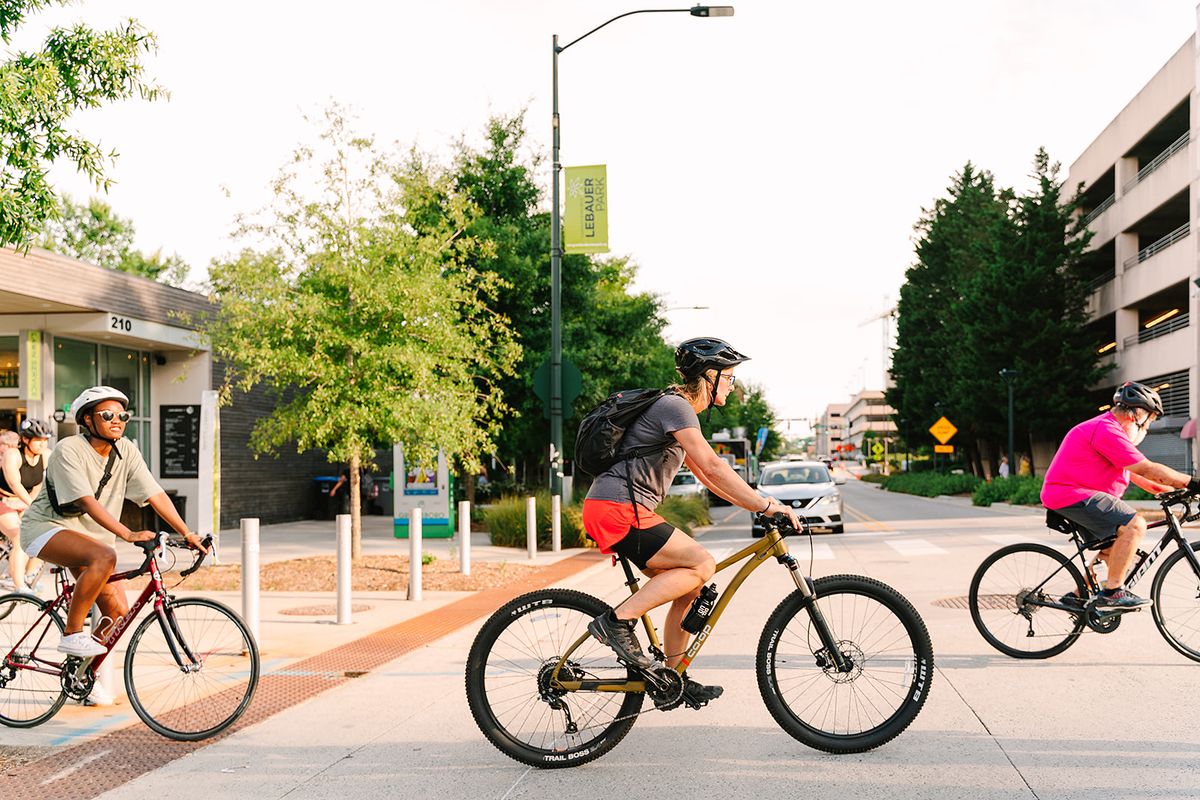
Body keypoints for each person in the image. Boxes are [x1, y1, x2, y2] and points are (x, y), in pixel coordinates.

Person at [582, 337, 801, 704]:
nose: (733, 386)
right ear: (709, 376)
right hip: (617, 508)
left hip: (620, 508)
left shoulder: (677, 412)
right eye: (729, 377)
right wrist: (766, 506)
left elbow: (708, 476)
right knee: (702, 563)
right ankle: (617, 622)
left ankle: (673, 675)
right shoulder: (676, 407)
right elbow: (715, 466)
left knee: (692, 587)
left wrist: (760, 506)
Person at [20, 386, 207, 664]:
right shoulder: (68, 449)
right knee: (105, 555)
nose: (117, 420)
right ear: (87, 420)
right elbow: (86, 501)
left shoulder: (126, 451)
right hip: (47, 527)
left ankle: (78, 674)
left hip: (91, 540)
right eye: (107, 415)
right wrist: (127, 533)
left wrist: (187, 533)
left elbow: (155, 494)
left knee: (118, 614)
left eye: (123, 415)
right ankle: (72, 634)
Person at [1041, 381, 1199, 608]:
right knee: (1134, 525)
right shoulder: (1107, 430)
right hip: (1070, 494)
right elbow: (1148, 469)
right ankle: (1112, 592)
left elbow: (1148, 481)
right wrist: (1193, 483)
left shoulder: (1111, 434)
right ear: (1137, 414)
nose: (1146, 430)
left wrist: (1184, 493)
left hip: (1071, 495)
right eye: (1149, 422)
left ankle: (1078, 595)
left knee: (1114, 547)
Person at [0, 418, 51, 591]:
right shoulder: (12, 455)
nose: (42, 444)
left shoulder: (45, 455)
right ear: (25, 440)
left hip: (22, 502)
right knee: (19, 537)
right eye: (38, 440)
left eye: (45, 440)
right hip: (3, 500)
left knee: (43, 532)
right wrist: (32, 505)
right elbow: (15, 484)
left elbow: (38, 484)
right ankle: (19, 586)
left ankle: (28, 573)